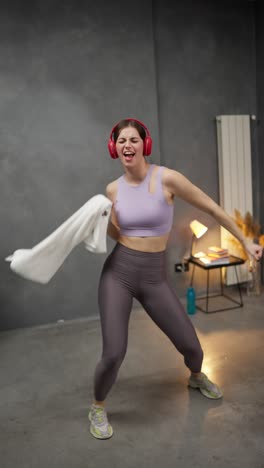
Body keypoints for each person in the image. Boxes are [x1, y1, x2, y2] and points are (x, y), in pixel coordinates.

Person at [88, 118, 263, 439]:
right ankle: (97, 407)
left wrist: (246, 240)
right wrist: (99, 221)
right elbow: (118, 234)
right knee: (114, 353)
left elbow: (212, 208)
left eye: (133, 140)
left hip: (153, 277)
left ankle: (196, 376)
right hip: (119, 273)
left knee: (193, 349)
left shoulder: (167, 179)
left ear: (145, 144)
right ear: (114, 148)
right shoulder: (113, 189)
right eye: (121, 141)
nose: (128, 146)